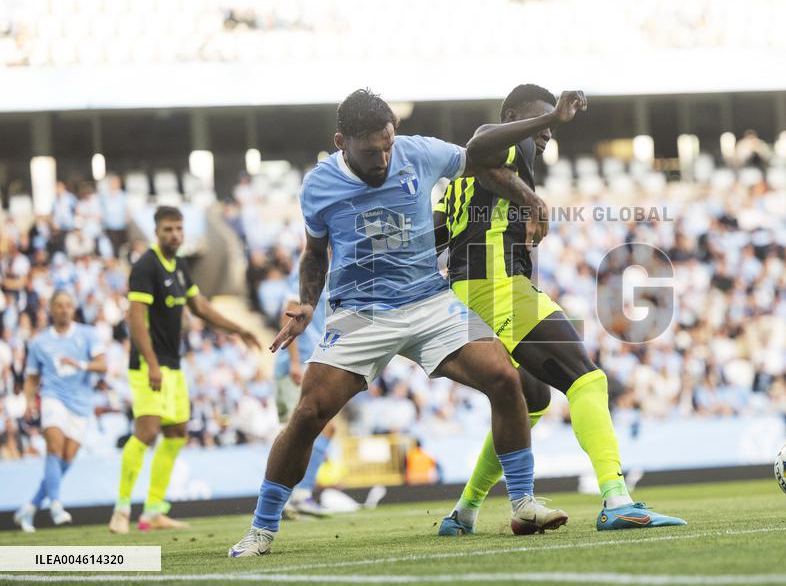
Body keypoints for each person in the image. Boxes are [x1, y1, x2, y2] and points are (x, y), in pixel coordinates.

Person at [228, 88, 565, 558]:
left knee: (505, 380)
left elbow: (483, 158)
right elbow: (315, 252)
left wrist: (531, 198)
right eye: (371, 151)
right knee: (308, 414)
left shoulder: (419, 153)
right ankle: (262, 529)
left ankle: (523, 503)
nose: (384, 159)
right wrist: (307, 303)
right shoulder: (318, 186)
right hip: (360, 314)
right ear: (341, 142)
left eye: (388, 145)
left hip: (429, 300)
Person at [433, 84, 686, 534]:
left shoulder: (460, 183)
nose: (548, 132)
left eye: (549, 124)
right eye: (539, 120)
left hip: (468, 298)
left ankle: (464, 513)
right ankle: (616, 499)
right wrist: (550, 120)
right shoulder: (507, 146)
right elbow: (482, 140)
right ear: (514, 117)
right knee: (587, 379)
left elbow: (435, 239)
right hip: (498, 289)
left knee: (530, 400)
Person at [109, 206, 262, 534]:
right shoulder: (146, 266)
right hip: (148, 363)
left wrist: (239, 329)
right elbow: (136, 318)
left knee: (177, 433)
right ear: (156, 232)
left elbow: (200, 306)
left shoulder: (178, 265)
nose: (174, 235)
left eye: (178, 229)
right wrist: (151, 363)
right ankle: (121, 509)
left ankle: (153, 511)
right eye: (168, 229)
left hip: (173, 364)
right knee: (146, 431)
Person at [13, 290, 106, 532]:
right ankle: (55, 505)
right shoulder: (39, 342)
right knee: (54, 447)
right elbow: (32, 377)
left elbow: (103, 365)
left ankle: (30, 507)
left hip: (81, 403)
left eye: (68, 305)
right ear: (51, 309)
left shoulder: (87, 334)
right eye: (59, 305)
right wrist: (28, 402)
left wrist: (80, 364)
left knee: (66, 458)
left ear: (73, 309)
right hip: (53, 398)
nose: (64, 309)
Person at [274, 266, 337, 518]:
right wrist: (293, 361)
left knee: (326, 428)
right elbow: (288, 313)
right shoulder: (307, 269)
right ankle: (283, 498)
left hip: (315, 361)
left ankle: (299, 495)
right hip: (297, 364)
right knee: (295, 431)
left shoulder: (336, 270)